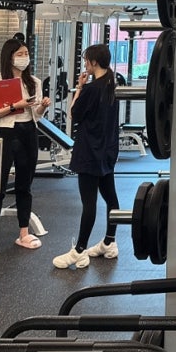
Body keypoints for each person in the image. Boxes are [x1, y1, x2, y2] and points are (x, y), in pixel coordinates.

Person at [52, 44, 120, 269]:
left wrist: (80, 88)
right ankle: (109, 242)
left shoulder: (92, 89)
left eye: (86, 61)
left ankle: (79, 251)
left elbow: (74, 113)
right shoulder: (113, 86)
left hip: (90, 151)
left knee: (89, 203)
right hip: (107, 151)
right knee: (111, 198)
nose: (84, 64)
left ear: (94, 62)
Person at [0, 36, 51, 249]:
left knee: (25, 184)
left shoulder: (34, 82)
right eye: (20, 54)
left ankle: (24, 233)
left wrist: (43, 106)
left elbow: (36, 115)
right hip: (5, 132)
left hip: (28, 132)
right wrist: (14, 106)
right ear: (10, 57)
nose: (24, 57)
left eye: (26, 54)